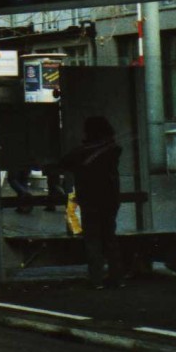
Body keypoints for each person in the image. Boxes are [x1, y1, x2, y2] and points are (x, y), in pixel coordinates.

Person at [60, 116, 123, 289]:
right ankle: (116, 277)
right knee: (110, 237)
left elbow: (65, 162)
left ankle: (96, 279)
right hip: (110, 200)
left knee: (93, 238)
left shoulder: (82, 152)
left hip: (90, 200)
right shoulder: (112, 149)